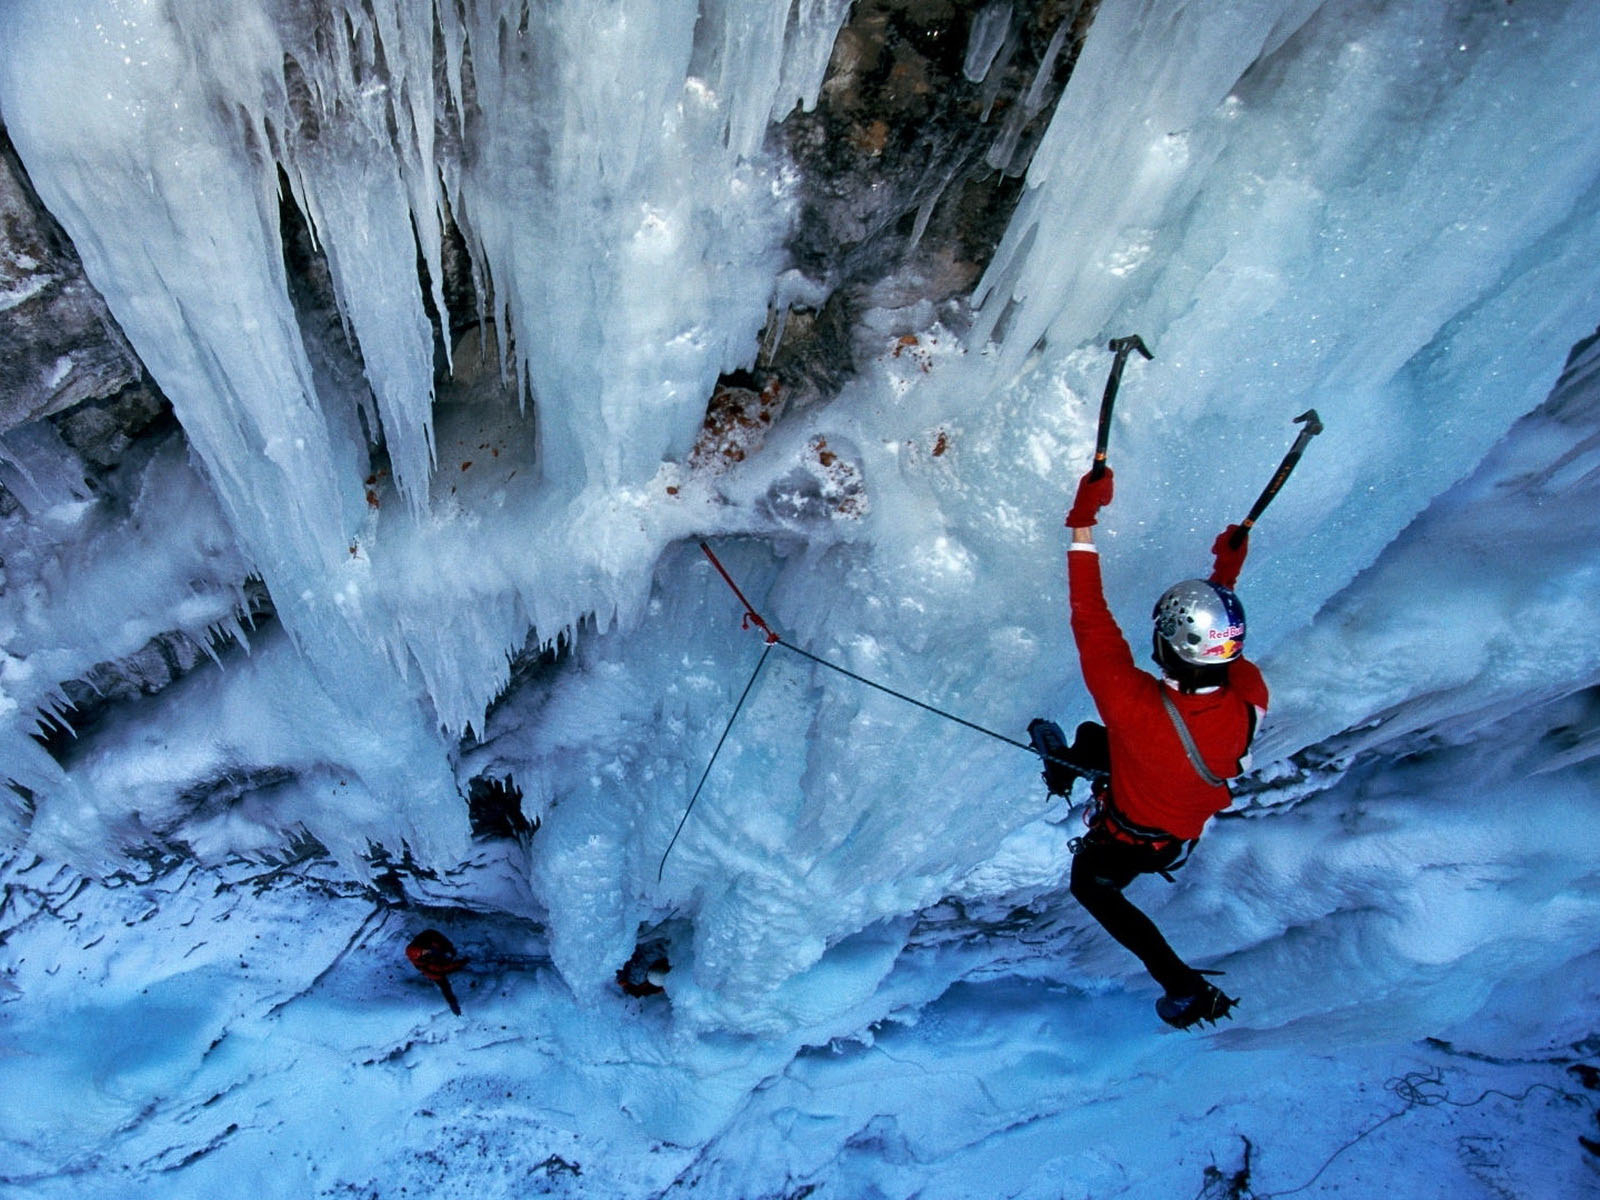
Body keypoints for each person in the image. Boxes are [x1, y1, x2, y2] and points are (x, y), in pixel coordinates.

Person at [1059, 467, 1269, 1029]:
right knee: (1095, 742)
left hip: (1130, 829)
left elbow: (1091, 615)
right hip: (1167, 834)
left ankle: (1183, 985)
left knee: (1091, 883)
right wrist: (1224, 574)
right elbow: (1215, 653)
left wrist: (1083, 520)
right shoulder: (1249, 698)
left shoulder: (1132, 704)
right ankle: (1181, 987)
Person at [406, 929, 468, 1015]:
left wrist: (448, 947)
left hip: (434, 958)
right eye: (424, 952)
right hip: (436, 974)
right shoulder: (428, 964)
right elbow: (443, 968)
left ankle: (450, 958)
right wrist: (460, 963)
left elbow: (431, 933)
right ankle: (453, 1005)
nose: (426, 951)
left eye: (424, 950)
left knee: (438, 952)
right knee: (445, 986)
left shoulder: (417, 946)